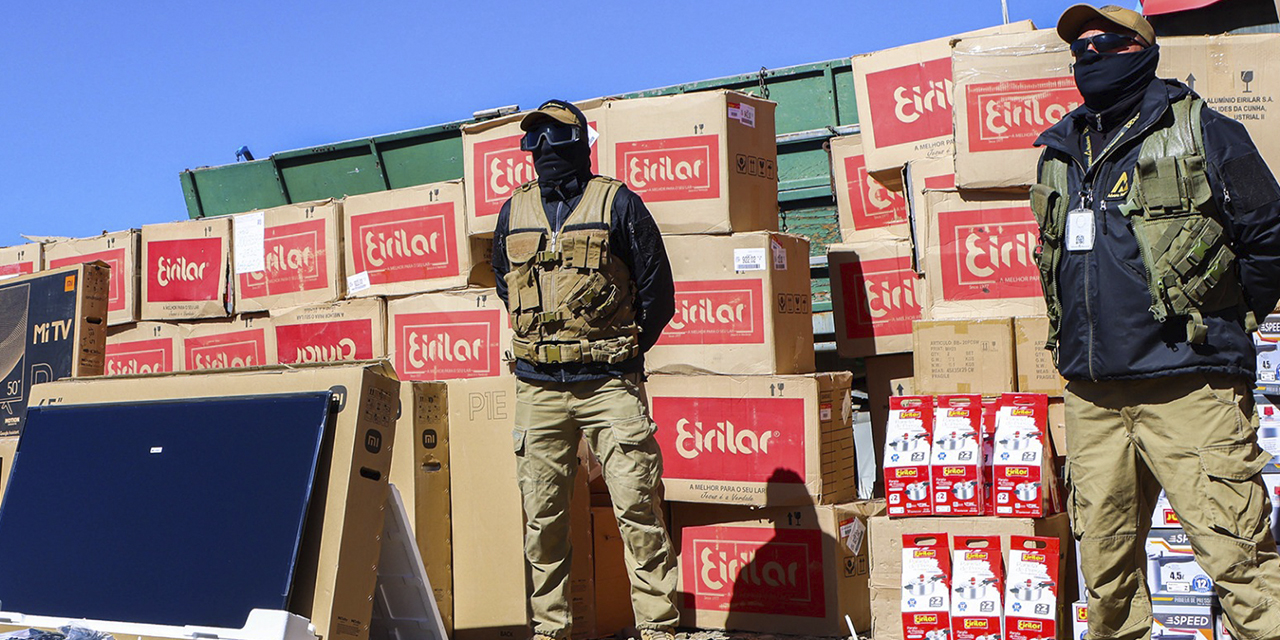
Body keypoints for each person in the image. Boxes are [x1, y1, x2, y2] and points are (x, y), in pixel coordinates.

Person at [1032, 5, 1280, 640]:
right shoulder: (1061, 149)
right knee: (1106, 575)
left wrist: (1231, 315)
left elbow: (1269, 235)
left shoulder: (1204, 132)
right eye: (1079, 48)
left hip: (1190, 389)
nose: (1089, 56)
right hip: (1093, 397)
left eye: (1105, 43)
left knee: (1238, 561)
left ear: (1141, 50)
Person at [491, 99, 678, 640]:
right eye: (534, 140)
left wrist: (624, 356)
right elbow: (508, 285)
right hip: (538, 388)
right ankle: (552, 631)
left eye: (554, 137)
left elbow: (656, 293)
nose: (543, 149)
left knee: (638, 510)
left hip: (610, 385)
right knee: (542, 522)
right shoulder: (514, 211)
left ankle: (660, 629)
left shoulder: (618, 204)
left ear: (580, 143)